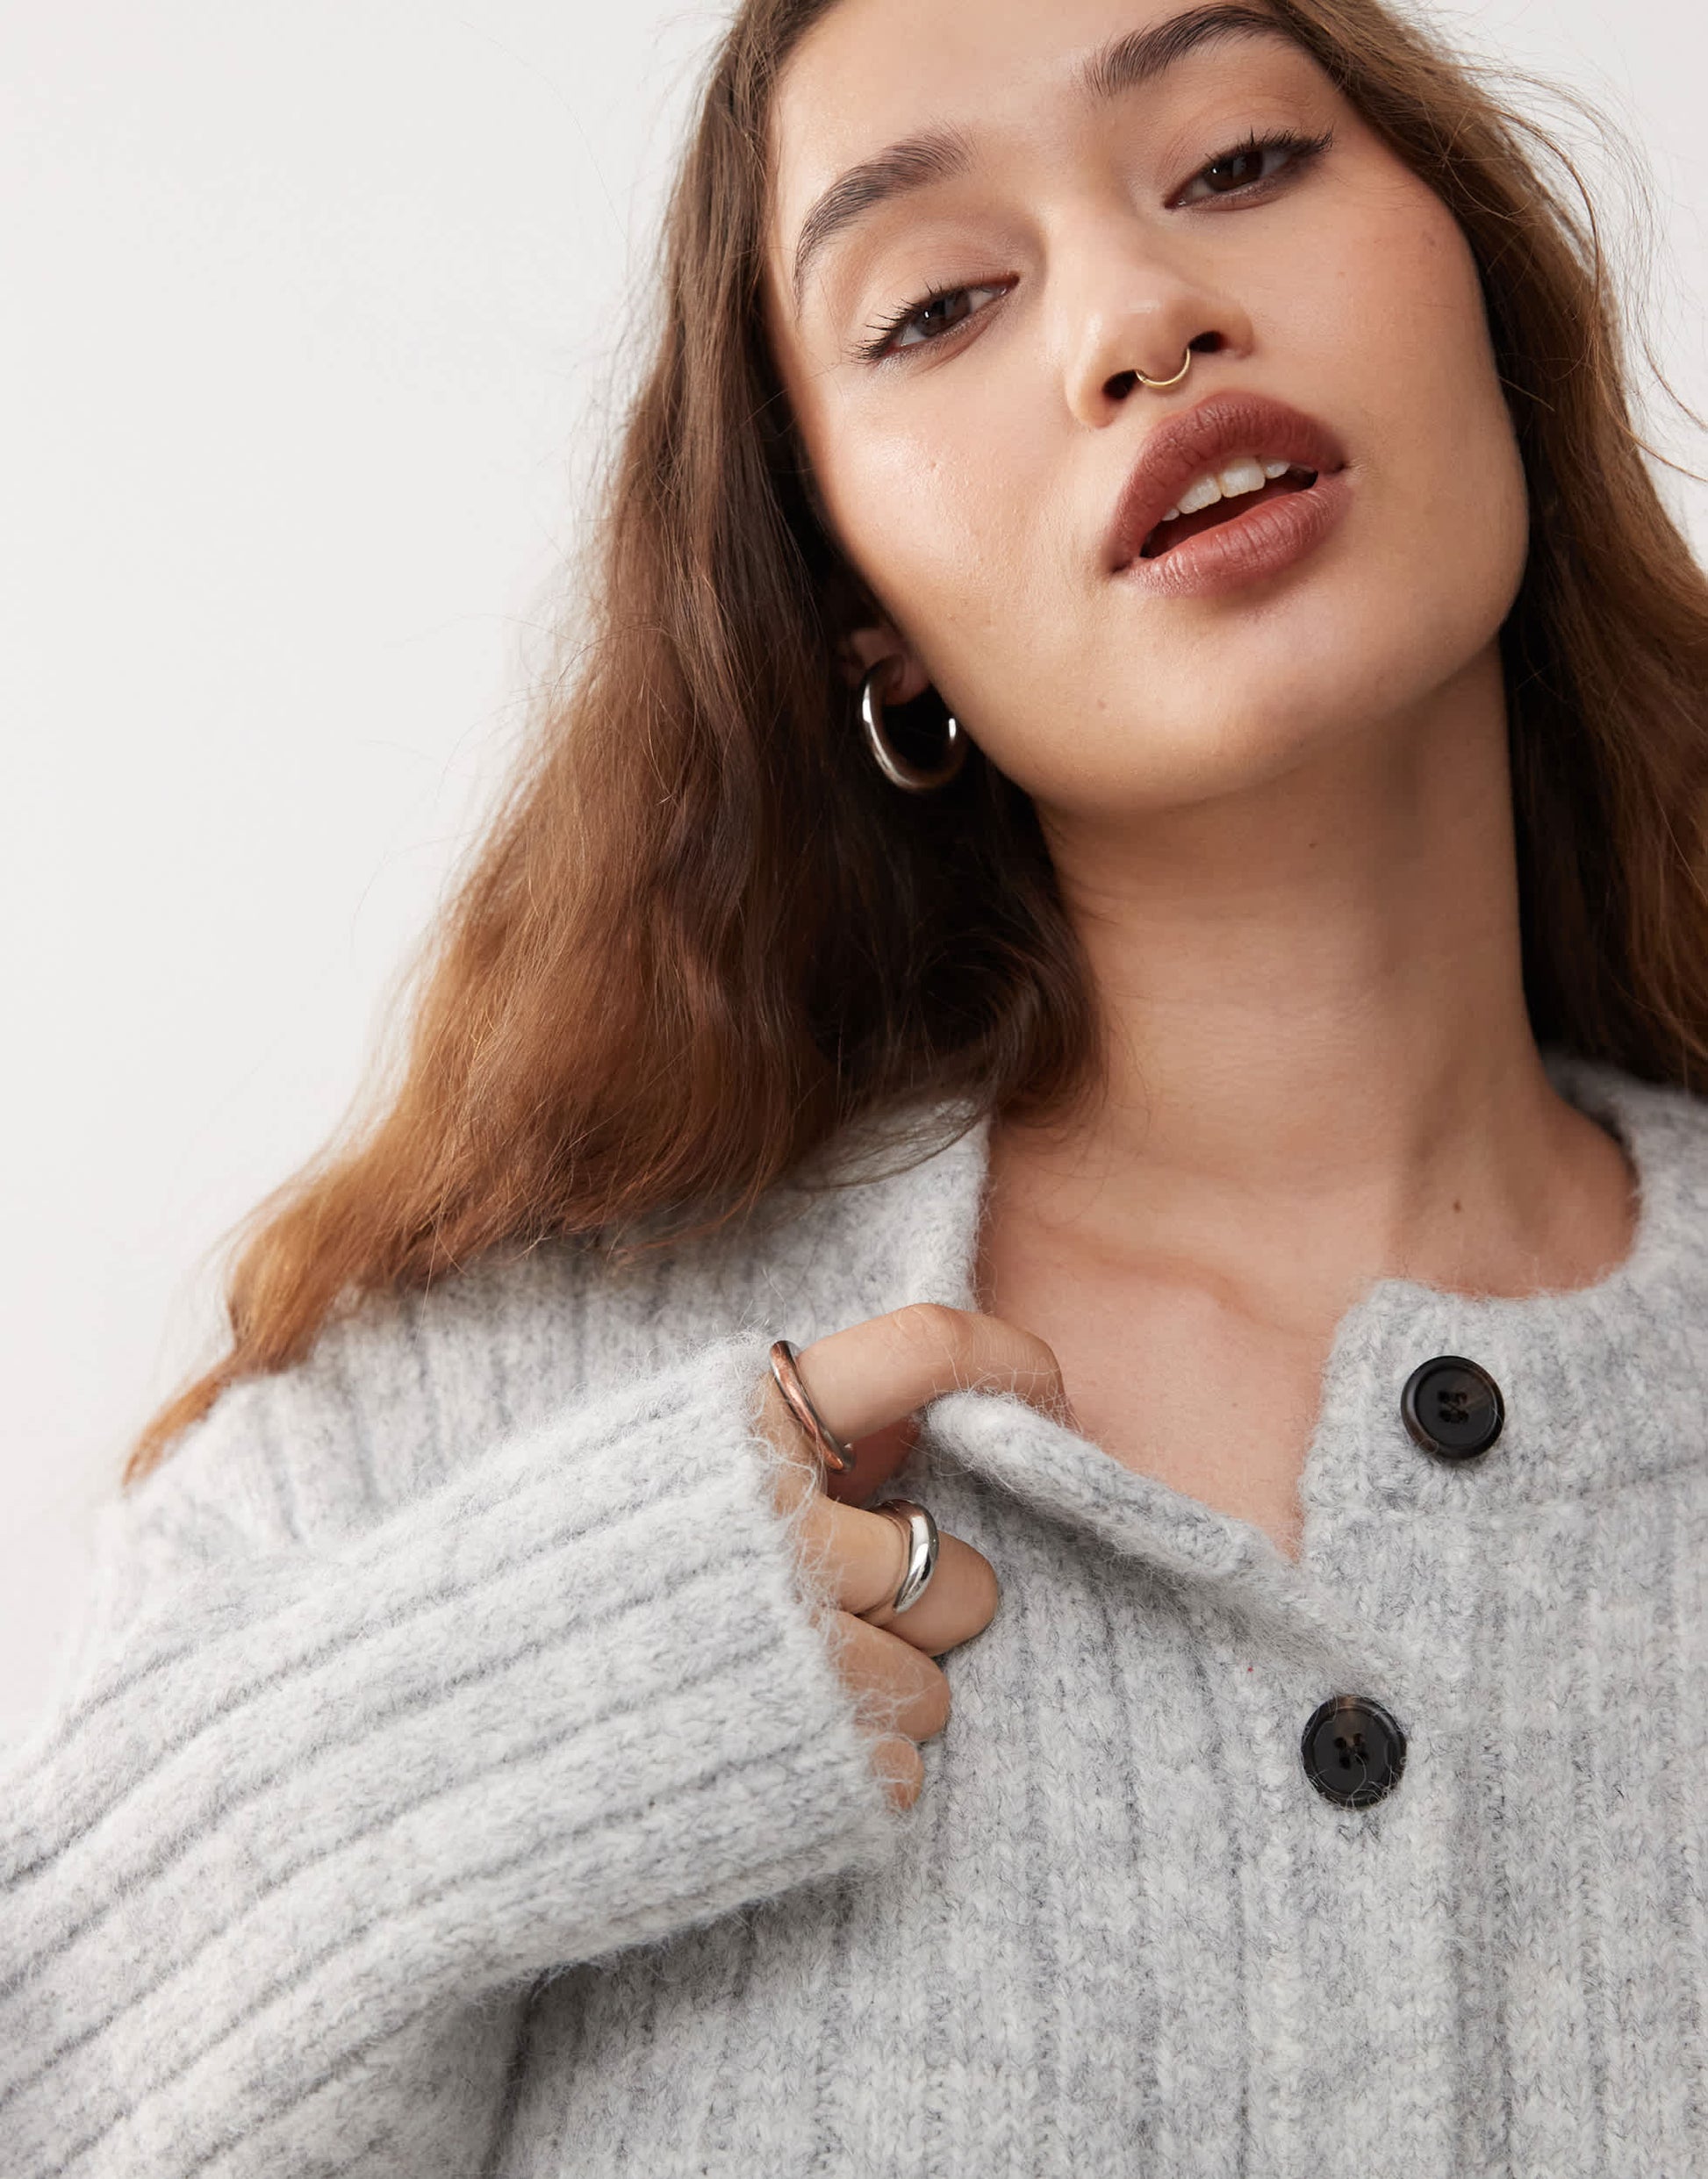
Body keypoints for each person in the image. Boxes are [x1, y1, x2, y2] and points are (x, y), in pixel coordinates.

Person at [6, 0, 1708, 2168]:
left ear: (1484, 289)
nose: (1139, 316)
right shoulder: (429, 1462)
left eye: (1237, 163)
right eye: (937, 305)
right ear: (857, 614)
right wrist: (480, 1724)